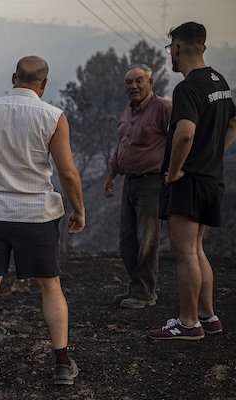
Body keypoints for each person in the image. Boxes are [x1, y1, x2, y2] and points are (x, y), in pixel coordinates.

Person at [0, 56, 86, 385]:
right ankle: (61, 364)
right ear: (44, 84)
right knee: (50, 288)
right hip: (37, 216)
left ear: (14, 77)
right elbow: (68, 173)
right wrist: (78, 209)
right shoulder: (53, 116)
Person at [148, 22, 236, 340]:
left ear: (177, 49)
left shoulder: (187, 88)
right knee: (197, 249)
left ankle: (188, 324)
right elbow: (233, 123)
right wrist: (212, 155)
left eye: (170, 48)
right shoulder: (220, 81)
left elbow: (185, 133)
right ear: (204, 47)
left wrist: (173, 171)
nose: (171, 54)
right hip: (211, 179)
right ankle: (207, 317)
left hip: (189, 182)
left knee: (184, 252)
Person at [104, 65, 172, 309]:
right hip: (129, 182)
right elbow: (122, 144)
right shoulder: (128, 109)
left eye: (139, 81)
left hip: (152, 184)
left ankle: (144, 294)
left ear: (150, 82)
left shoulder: (164, 108)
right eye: (128, 83)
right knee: (127, 239)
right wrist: (112, 175)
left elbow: (183, 137)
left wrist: (175, 172)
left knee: (147, 240)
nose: (133, 86)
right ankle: (136, 287)